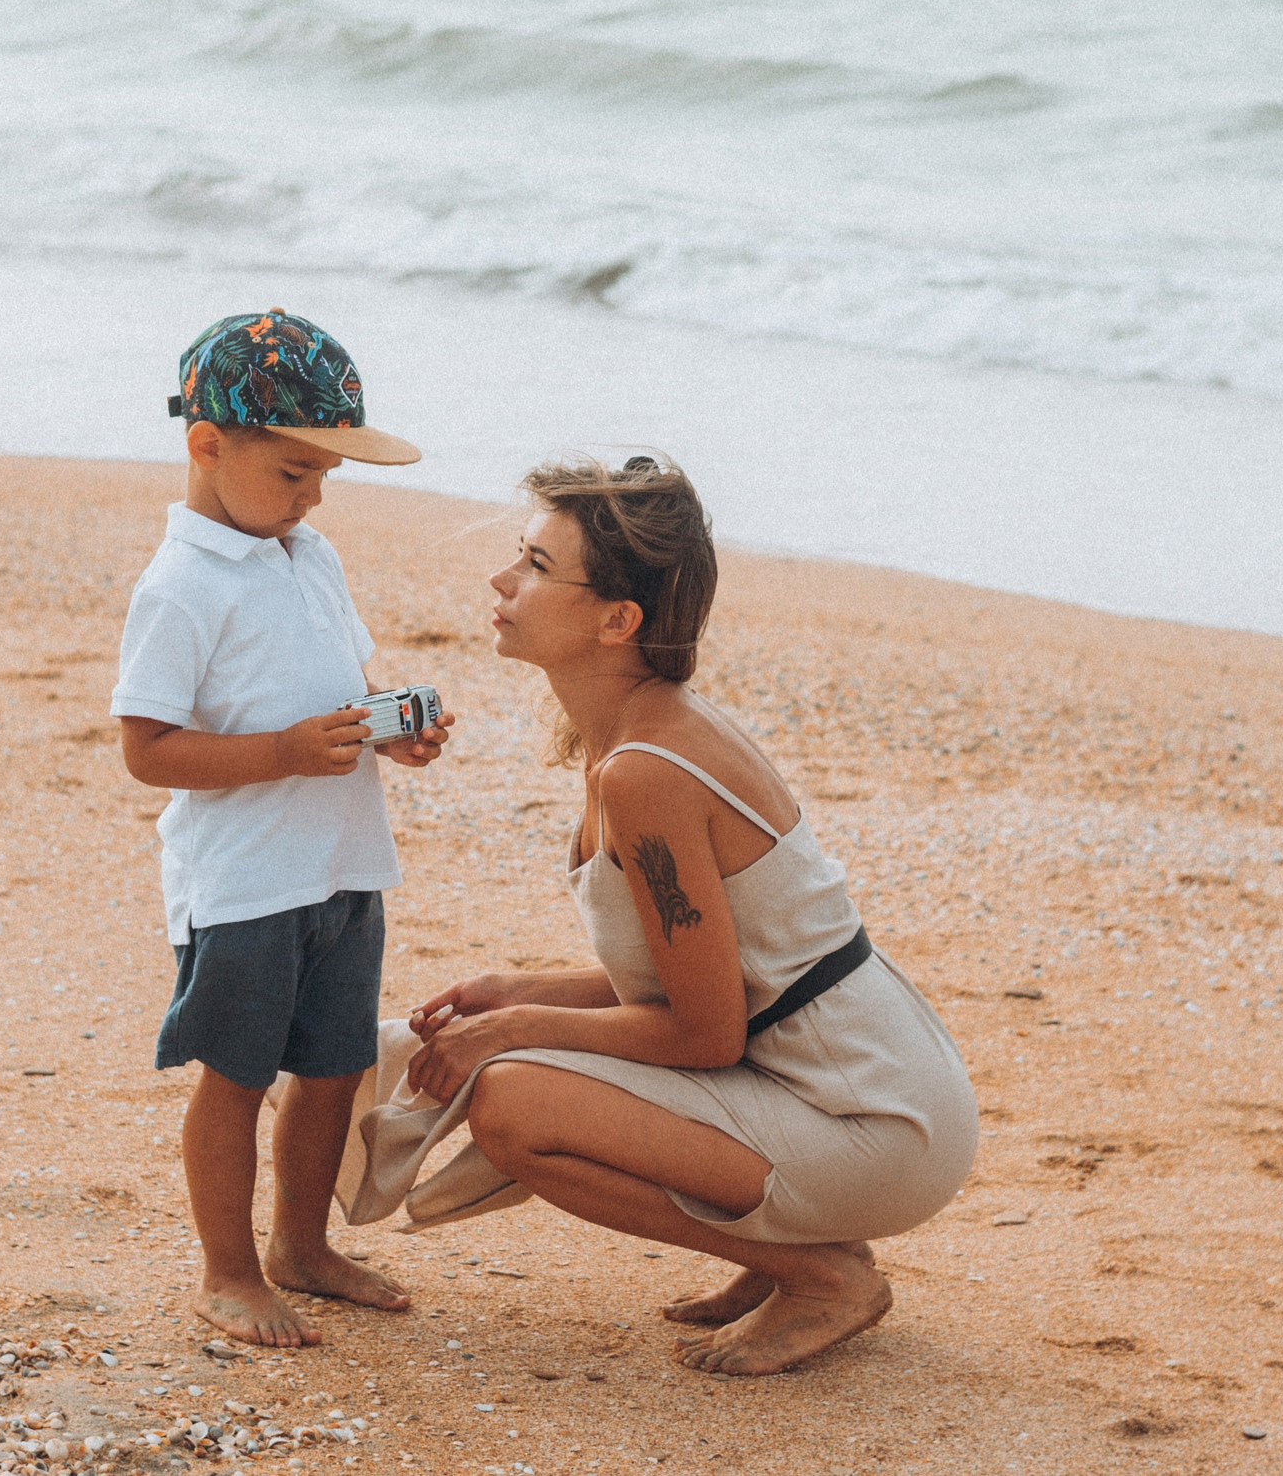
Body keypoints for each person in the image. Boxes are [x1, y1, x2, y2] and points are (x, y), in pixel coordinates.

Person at [386, 453, 978, 1376]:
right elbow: (712, 977)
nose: (503, 580)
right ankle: (790, 1252)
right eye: (520, 556)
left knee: (513, 1104)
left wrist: (511, 1027)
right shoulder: (642, 730)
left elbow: (707, 1030)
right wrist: (518, 990)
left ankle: (821, 1274)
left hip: (874, 1120)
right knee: (516, 1058)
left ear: (617, 620)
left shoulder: (648, 770)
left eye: (538, 566)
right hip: (861, 1078)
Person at [111, 309, 453, 1348]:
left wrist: (390, 729)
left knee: (334, 1065)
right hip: (248, 878)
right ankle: (228, 1270)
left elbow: (339, 686)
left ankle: (300, 1245)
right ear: (207, 445)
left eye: (323, 478)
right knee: (238, 1075)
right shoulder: (179, 587)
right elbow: (147, 749)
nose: (310, 496)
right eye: (293, 472)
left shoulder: (309, 554)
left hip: (344, 863)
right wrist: (279, 753)